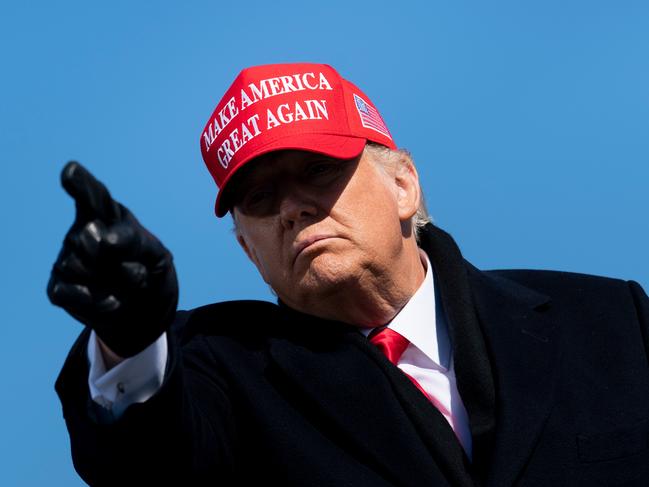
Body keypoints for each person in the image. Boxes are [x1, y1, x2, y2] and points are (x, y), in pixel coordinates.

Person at [49, 63, 649, 487]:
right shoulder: (215, 370)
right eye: (259, 198)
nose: (292, 207)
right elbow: (147, 464)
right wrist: (128, 341)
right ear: (247, 251)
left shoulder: (612, 323)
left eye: (317, 169)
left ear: (403, 183)